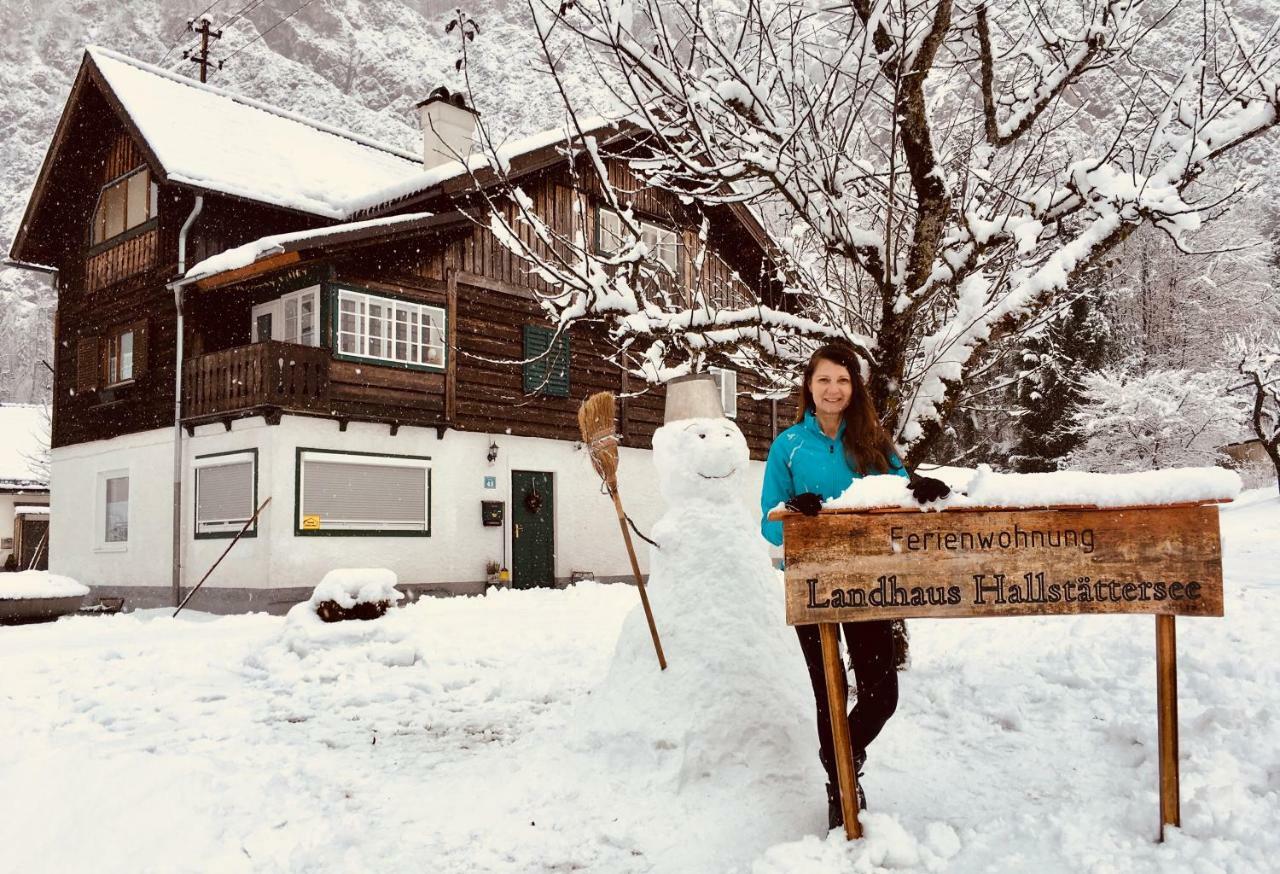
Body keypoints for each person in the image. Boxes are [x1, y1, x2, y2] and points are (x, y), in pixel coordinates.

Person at [759, 342, 950, 830]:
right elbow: (769, 520)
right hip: (813, 584)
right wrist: (795, 516)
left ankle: (844, 755)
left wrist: (922, 486)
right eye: (824, 379)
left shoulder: (871, 440)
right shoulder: (788, 446)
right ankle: (840, 785)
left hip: (867, 581)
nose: (833, 388)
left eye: (842, 380)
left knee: (882, 693)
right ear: (809, 384)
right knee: (829, 690)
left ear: (854, 387)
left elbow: (900, 491)